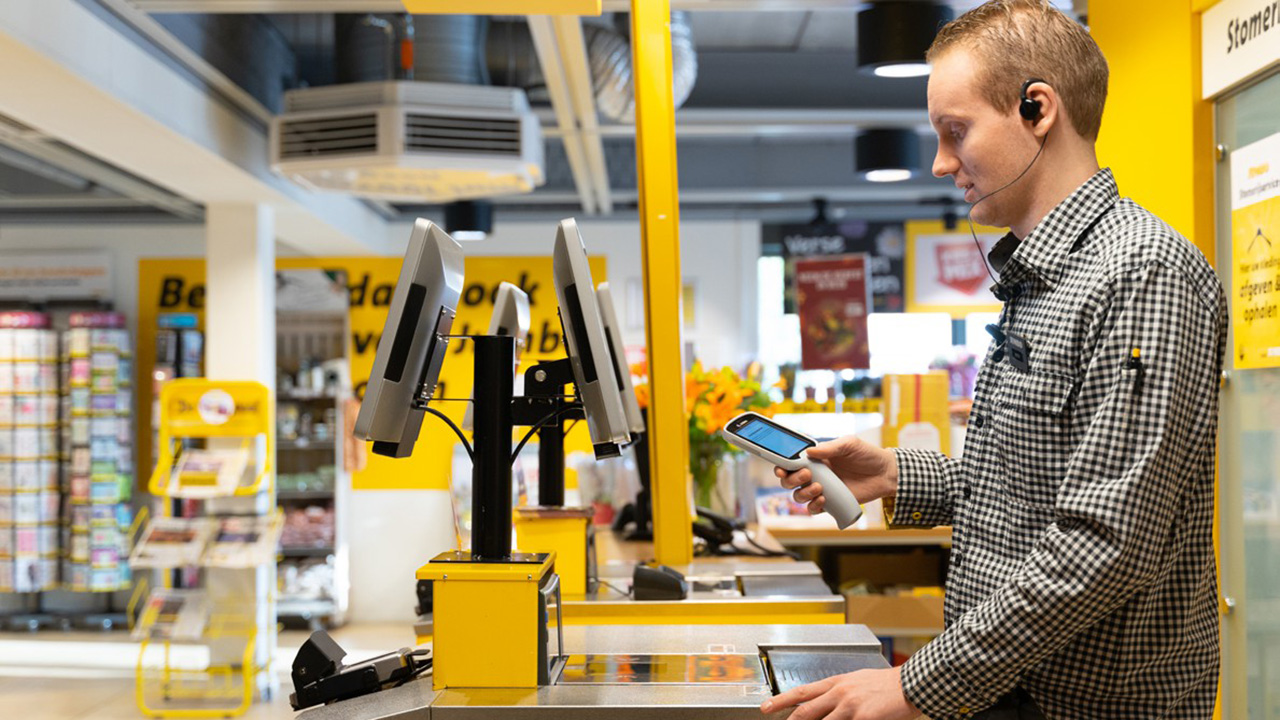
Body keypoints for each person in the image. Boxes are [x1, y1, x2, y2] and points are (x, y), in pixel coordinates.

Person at [761, 1, 1225, 719]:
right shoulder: (1043, 280)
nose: (943, 163)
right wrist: (894, 473)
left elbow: (1106, 543)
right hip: (1016, 692)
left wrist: (918, 684)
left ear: (1037, 108)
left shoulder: (1142, 274)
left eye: (956, 132)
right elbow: (1029, 491)